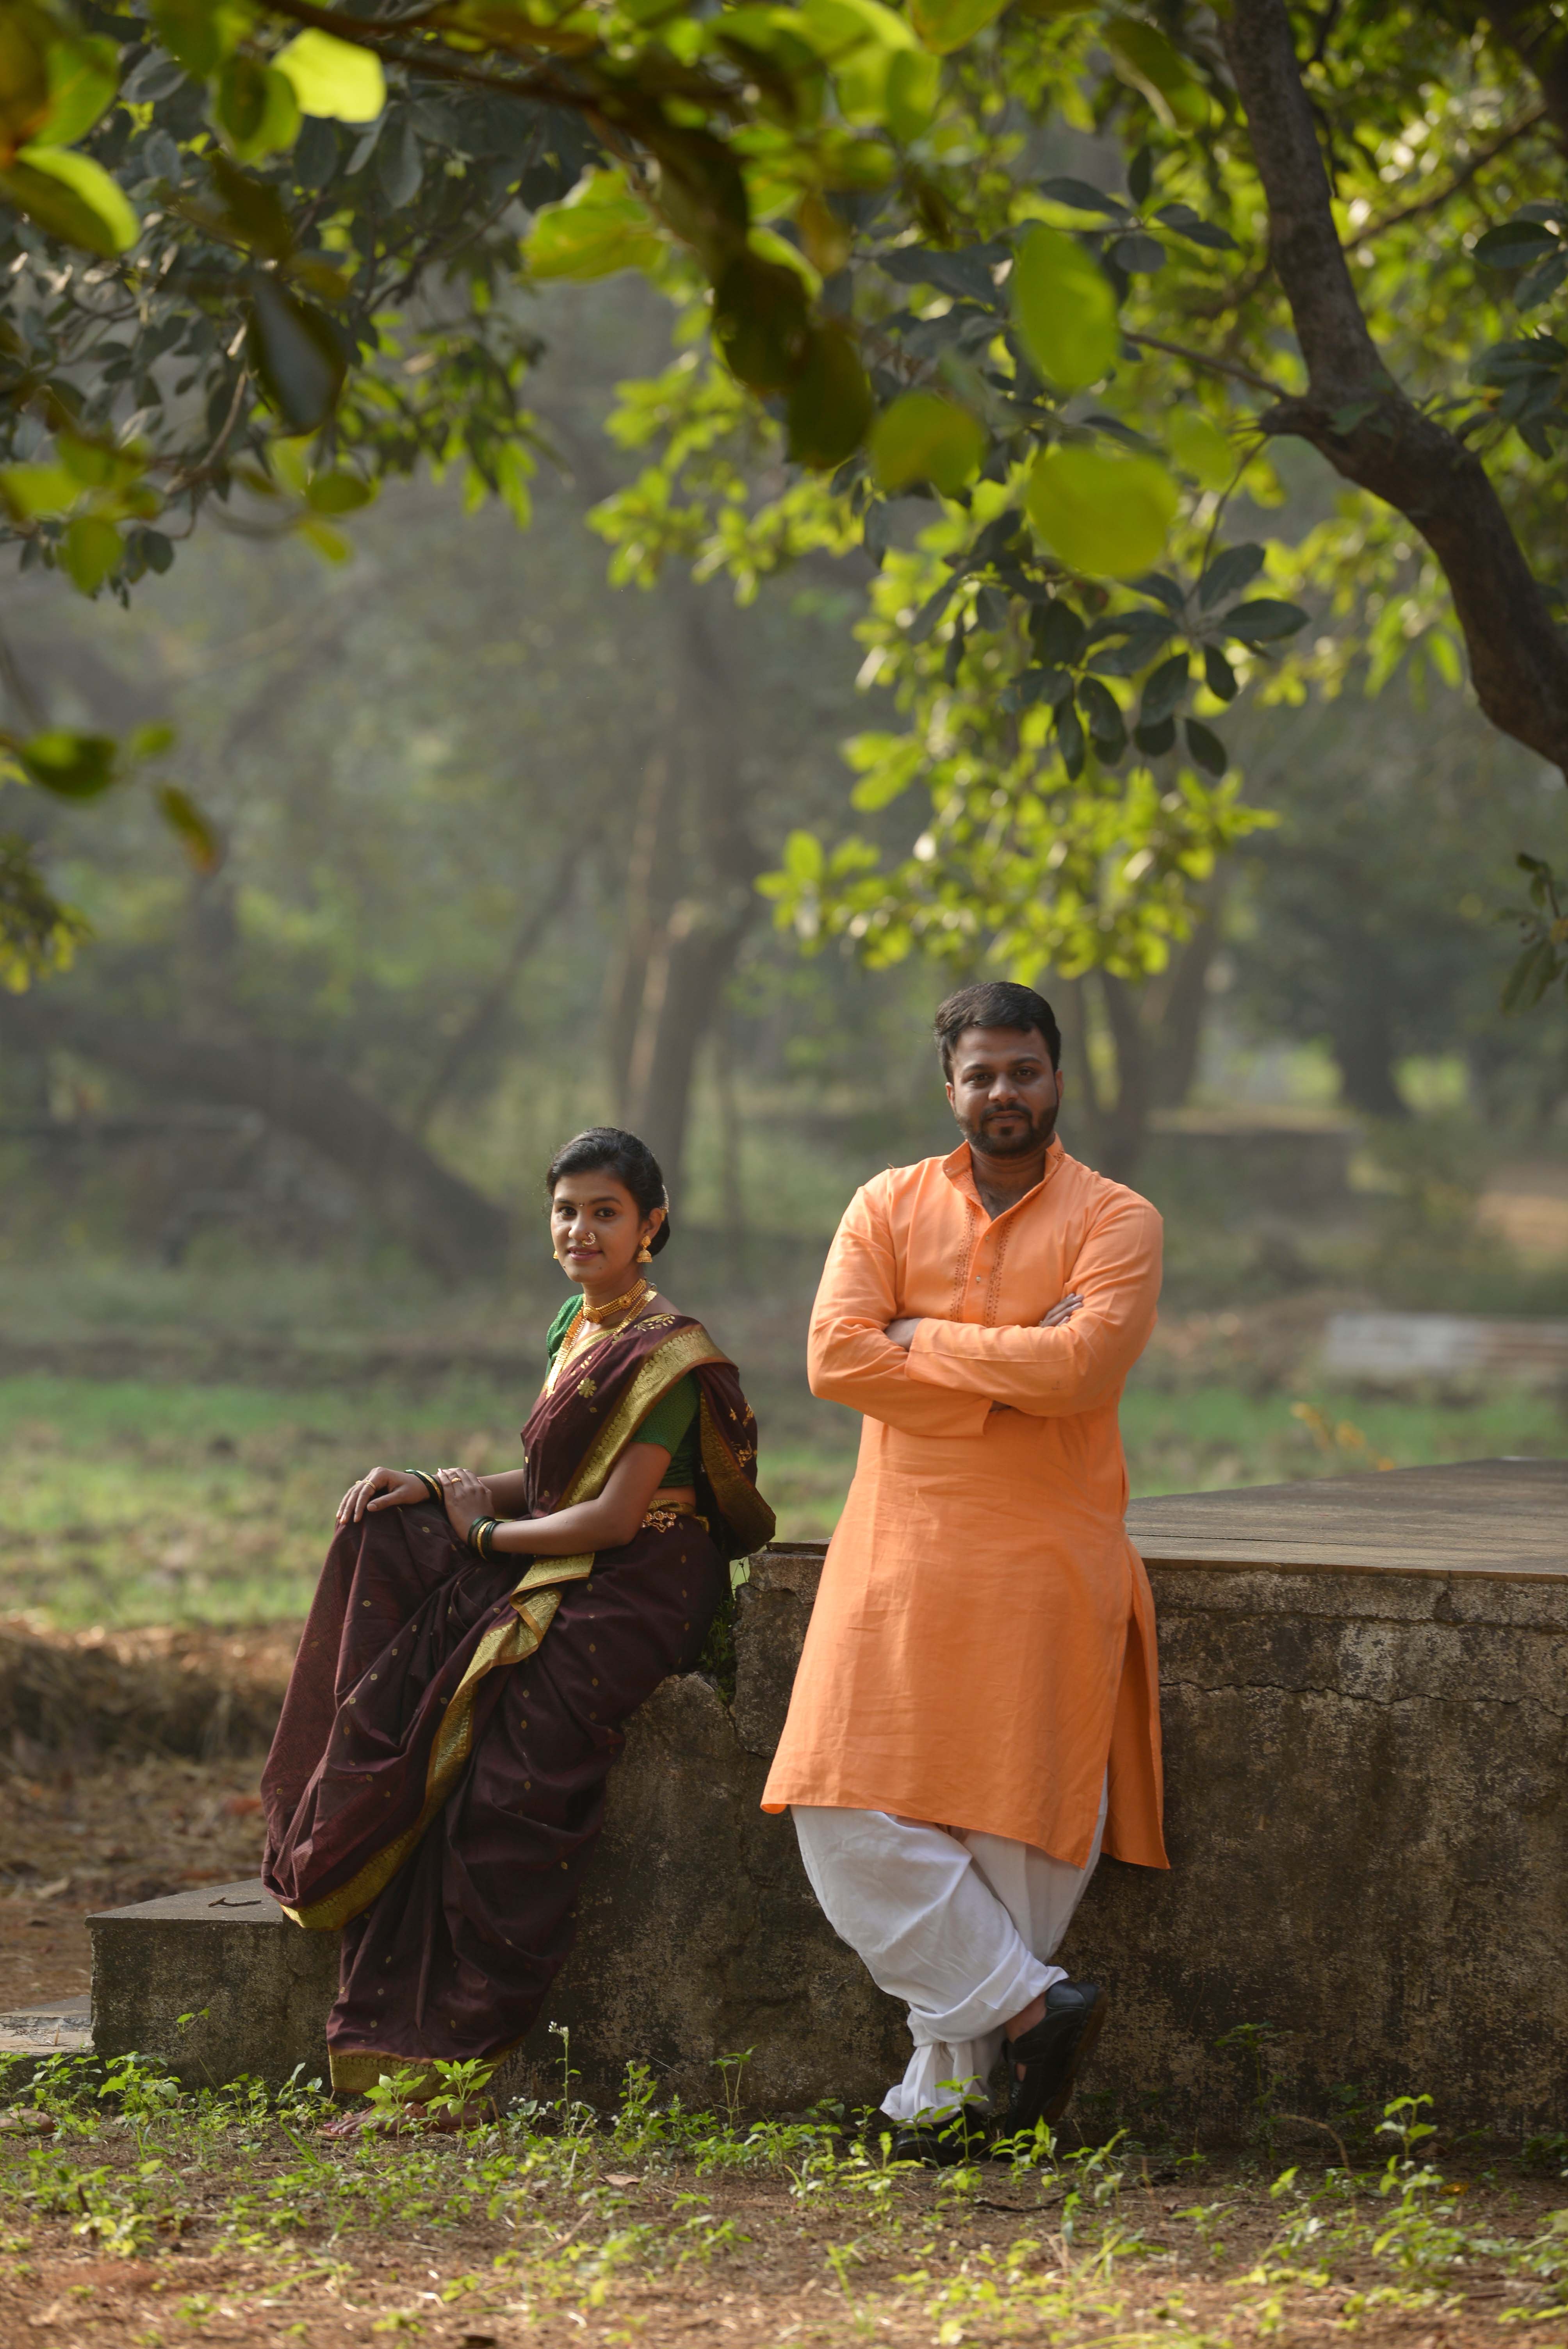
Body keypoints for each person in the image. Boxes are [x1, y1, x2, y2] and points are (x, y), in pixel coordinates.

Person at [262, 1127, 775, 2126]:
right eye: (566, 1210)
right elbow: (549, 1482)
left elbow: (616, 1516)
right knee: (392, 1534)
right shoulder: (574, 1328)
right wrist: (428, 1487)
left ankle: (456, 2069)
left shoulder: (671, 1355)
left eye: (606, 1212)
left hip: (643, 1582)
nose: (581, 1228)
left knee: (501, 1784)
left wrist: (487, 1534)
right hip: (563, 1551)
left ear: (651, 1225)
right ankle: (398, 2040)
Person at [761, 981, 1166, 2163]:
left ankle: (944, 2108)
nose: (1003, 1093)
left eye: (1023, 1071)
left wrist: (921, 1339)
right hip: (894, 1557)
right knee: (835, 1802)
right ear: (949, 1089)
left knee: (1017, 1835)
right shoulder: (886, 1204)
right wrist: (1016, 1355)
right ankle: (1036, 2012)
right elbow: (836, 1360)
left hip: (1045, 1561)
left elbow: (1085, 1372)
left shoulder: (1117, 1218)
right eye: (980, 1075)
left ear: (1057, 1078)